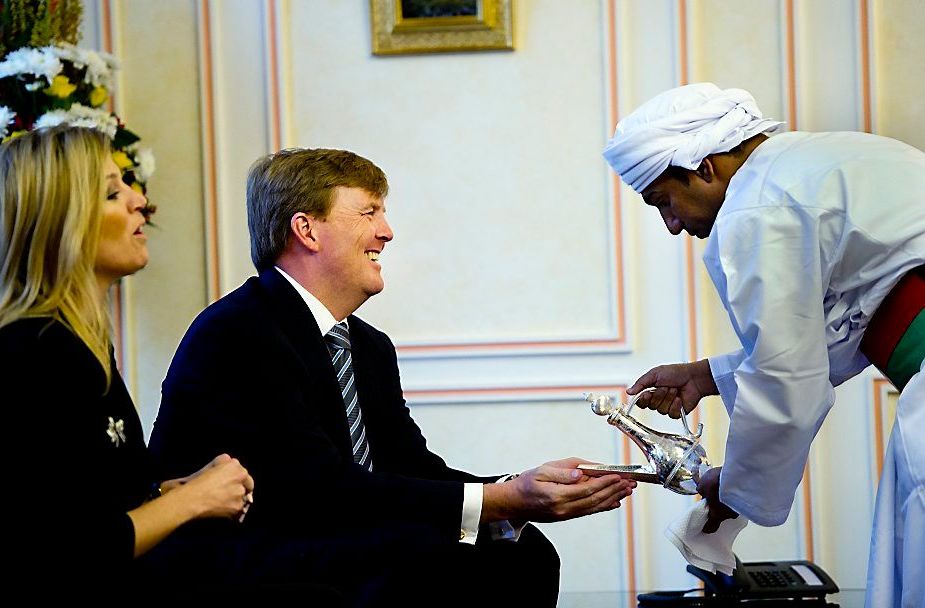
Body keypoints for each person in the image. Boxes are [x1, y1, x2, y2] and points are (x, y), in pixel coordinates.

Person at [149, 147, 637, 606]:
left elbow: (408, 466)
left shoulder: (366, 345)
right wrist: (500, 499)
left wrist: (517, 494)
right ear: (307, 230)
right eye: (369, 213)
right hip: (245, 550)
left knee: (524, 552)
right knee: (429, 561)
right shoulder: (240, 331)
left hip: (331, 534)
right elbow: (316, 487)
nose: (387, 232)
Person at [602, 82, 924, 608]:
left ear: (704, 167)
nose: (673, 225)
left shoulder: (753, 211)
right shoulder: (834, 155)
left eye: (665, 202)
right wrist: (708, 375)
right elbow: (855, 320)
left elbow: (787, 378)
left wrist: (731, 498)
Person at [0, 126, 293, 594]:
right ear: (57, 222)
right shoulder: (25, 356)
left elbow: (88, 502)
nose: (139, 202)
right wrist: (192, 499)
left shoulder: (73, 342)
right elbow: (59, 552)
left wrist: (171, 491)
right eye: (113, 192)